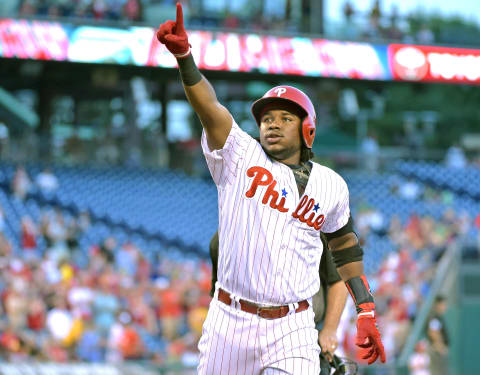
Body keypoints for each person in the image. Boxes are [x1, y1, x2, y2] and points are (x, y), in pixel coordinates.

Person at [156, 5, 386, 373]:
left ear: (306, 129)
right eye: (266, 118)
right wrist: (185, 58)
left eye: (285, 118)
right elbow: (209, 108)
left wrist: (366, 309)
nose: (272, 124)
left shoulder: (331, 185)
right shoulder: (239, 155)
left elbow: (344, 249)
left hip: (292, 325)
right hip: (230, 320)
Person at [209, 231, 349, 372]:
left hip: (296, 330)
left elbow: (339, 279)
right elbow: (220, 295)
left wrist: (329, 330)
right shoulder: (225, 236)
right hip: (241, 332)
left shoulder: (312, 226)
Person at [426, 296, 449, 375]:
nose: (445, 307)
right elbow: (433, 333)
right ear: (437, 305)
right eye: (443, 305)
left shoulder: (437, 317)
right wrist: (440, 347)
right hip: (437, 352)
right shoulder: (435, 318)